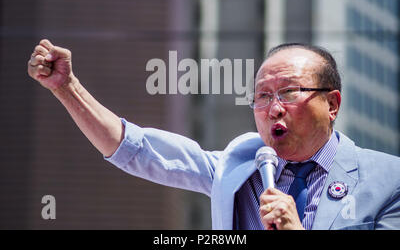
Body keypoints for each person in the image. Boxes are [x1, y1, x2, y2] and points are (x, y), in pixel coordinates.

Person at [27, 39, 400, 230]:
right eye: (262, 96)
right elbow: (137, 149)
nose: (273, 107)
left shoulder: (389, 181)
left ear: (332, 104)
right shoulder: (239, 169)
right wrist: (66, 87)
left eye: (289, 92)